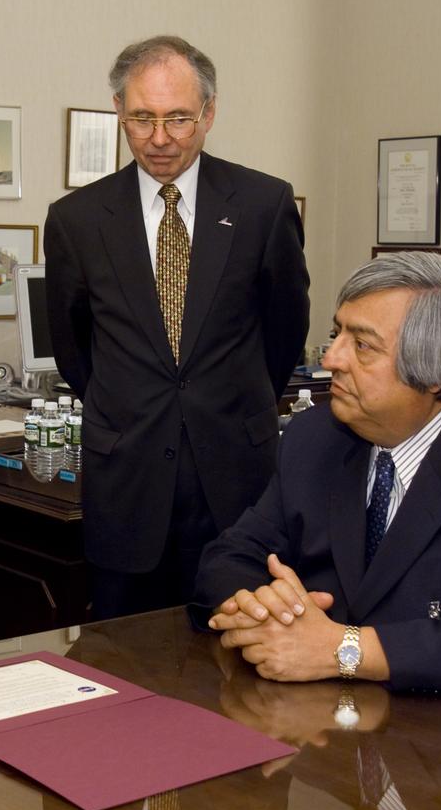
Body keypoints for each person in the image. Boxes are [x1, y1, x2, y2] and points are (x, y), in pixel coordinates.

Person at [194, 252, 441, 695]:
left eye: (362, 345)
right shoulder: (315, 437)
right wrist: (263, 609)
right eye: (337, 333)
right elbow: (231, 557)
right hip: (326, 722)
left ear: (438, 372)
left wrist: (343, 648)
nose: (331, 358)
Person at [45, 35, 310, 619]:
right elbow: (74, 348)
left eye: (178, 119)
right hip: (127, 480)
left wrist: (230, 401)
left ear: (209, 113)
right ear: (118, 110)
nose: (159, 138)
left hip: (236, 478)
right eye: (141, 118)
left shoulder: (264, 206)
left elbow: (285, 332)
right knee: (125, 662)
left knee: (240, 665)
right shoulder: (77, 220)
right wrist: (133, 402)